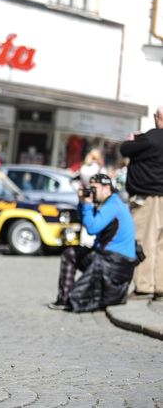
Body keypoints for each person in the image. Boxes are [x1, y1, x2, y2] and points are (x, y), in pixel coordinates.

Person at [48, 174, 137, 312]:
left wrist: (88, 205)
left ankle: (67, 299)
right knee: (70, 253)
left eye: (94, 188)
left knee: (77, 298)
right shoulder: (108, 203)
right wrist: (82, 202)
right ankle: (63, 299)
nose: (92, 192)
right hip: (108, 258)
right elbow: (83, 219)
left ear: (106, 188)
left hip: (114, 263)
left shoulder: (112, 205)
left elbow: (92, 228)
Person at [119, 107, 163, 299]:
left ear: (159, 118)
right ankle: (160, 286)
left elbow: (125, 149)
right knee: (161, 244)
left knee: (144, 240)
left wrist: (134, 139)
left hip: (148, 197)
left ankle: (144, 286)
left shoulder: (150, 138)